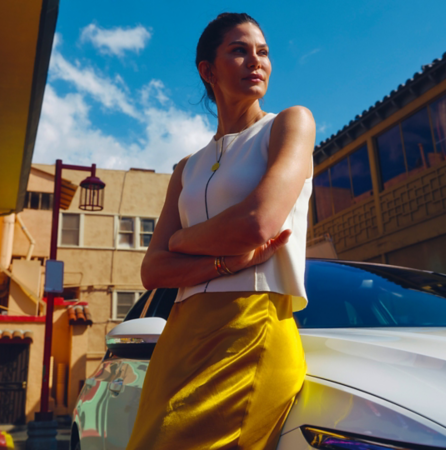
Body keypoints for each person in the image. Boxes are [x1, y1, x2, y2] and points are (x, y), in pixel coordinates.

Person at [126, 12, 314, 450]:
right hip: (179, 336)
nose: (256, 61)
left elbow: (259, 222)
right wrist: (224, 261)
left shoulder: (289, 124)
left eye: (263, 52)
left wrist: (181, 241)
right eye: (239, 50)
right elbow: (152, 271)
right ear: (207, 71)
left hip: (251, 326)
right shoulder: (185, 168)